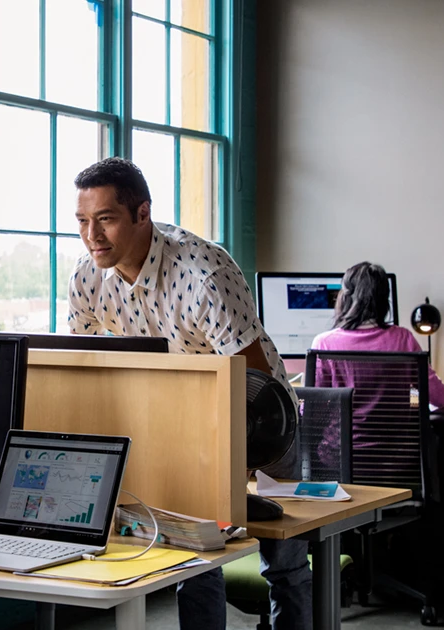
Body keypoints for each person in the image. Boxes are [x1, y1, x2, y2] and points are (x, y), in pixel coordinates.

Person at [68, 157, 311, 630]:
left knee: (284, 565)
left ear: (142, 214)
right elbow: (84, 365)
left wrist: (234, 463)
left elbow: (256, 385)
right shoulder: (86, 278)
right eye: (82, 221)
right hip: (185, 420)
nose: (92, 235)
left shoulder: (203, 273)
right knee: (194, 561)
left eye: (106, 219)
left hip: (263, 419)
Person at [309, 261, 444, 468]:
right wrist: (412, 397)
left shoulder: (324, 343)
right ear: (384, 300)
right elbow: (441, 398)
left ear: (345, 297)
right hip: (395, 461)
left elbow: (313, 410)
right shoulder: (403, 339)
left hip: (340, 461)